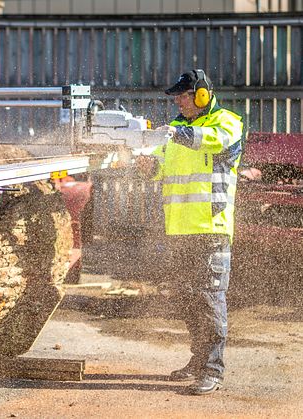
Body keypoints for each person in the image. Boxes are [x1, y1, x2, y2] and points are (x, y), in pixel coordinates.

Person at [135, 69, 244, 395]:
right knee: (188, 300)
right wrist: (147, 164)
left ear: (201, 95)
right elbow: (159, 167)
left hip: (211, 228)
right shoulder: (177, 131)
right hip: (179, 229)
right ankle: (198, 362)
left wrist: (174, 135)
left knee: (210, 300)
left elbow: (215, 142)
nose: (178, 102)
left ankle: (213, 370)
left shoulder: (226, 123)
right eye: (177, 97)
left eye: (183, 96)